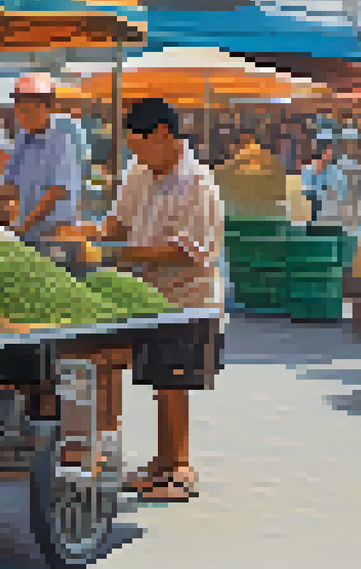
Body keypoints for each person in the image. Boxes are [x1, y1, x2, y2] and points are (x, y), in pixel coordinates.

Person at [72, 98, 225, 503]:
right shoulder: (140, 172)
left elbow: (187, 252)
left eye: (140, 145)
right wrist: (91, 234)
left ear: (162, 135)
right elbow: (119, 221)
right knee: (158, 380)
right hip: (148, 297)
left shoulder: (197, 183)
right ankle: (161, 461)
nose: (137, 155)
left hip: (189, 297)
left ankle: (180, 468)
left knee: (174, 382)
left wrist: (119, 254)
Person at [1, 73, 82, 241]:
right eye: (20, 110)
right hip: (27, 230)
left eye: (29, 111)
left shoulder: (61, 139)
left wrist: (21, 227)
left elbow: (55, 193)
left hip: (54, 234)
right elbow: (10, 182)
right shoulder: (22, 137)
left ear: (47, 108)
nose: (23, 116)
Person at [300, 141, 344, 223]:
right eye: (328, 152)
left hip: (330, 207)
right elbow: (305, 190)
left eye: (331, 153)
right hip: (312, 206)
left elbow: (340, 189)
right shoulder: (308, 169)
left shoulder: (335, 170)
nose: (330, 156)